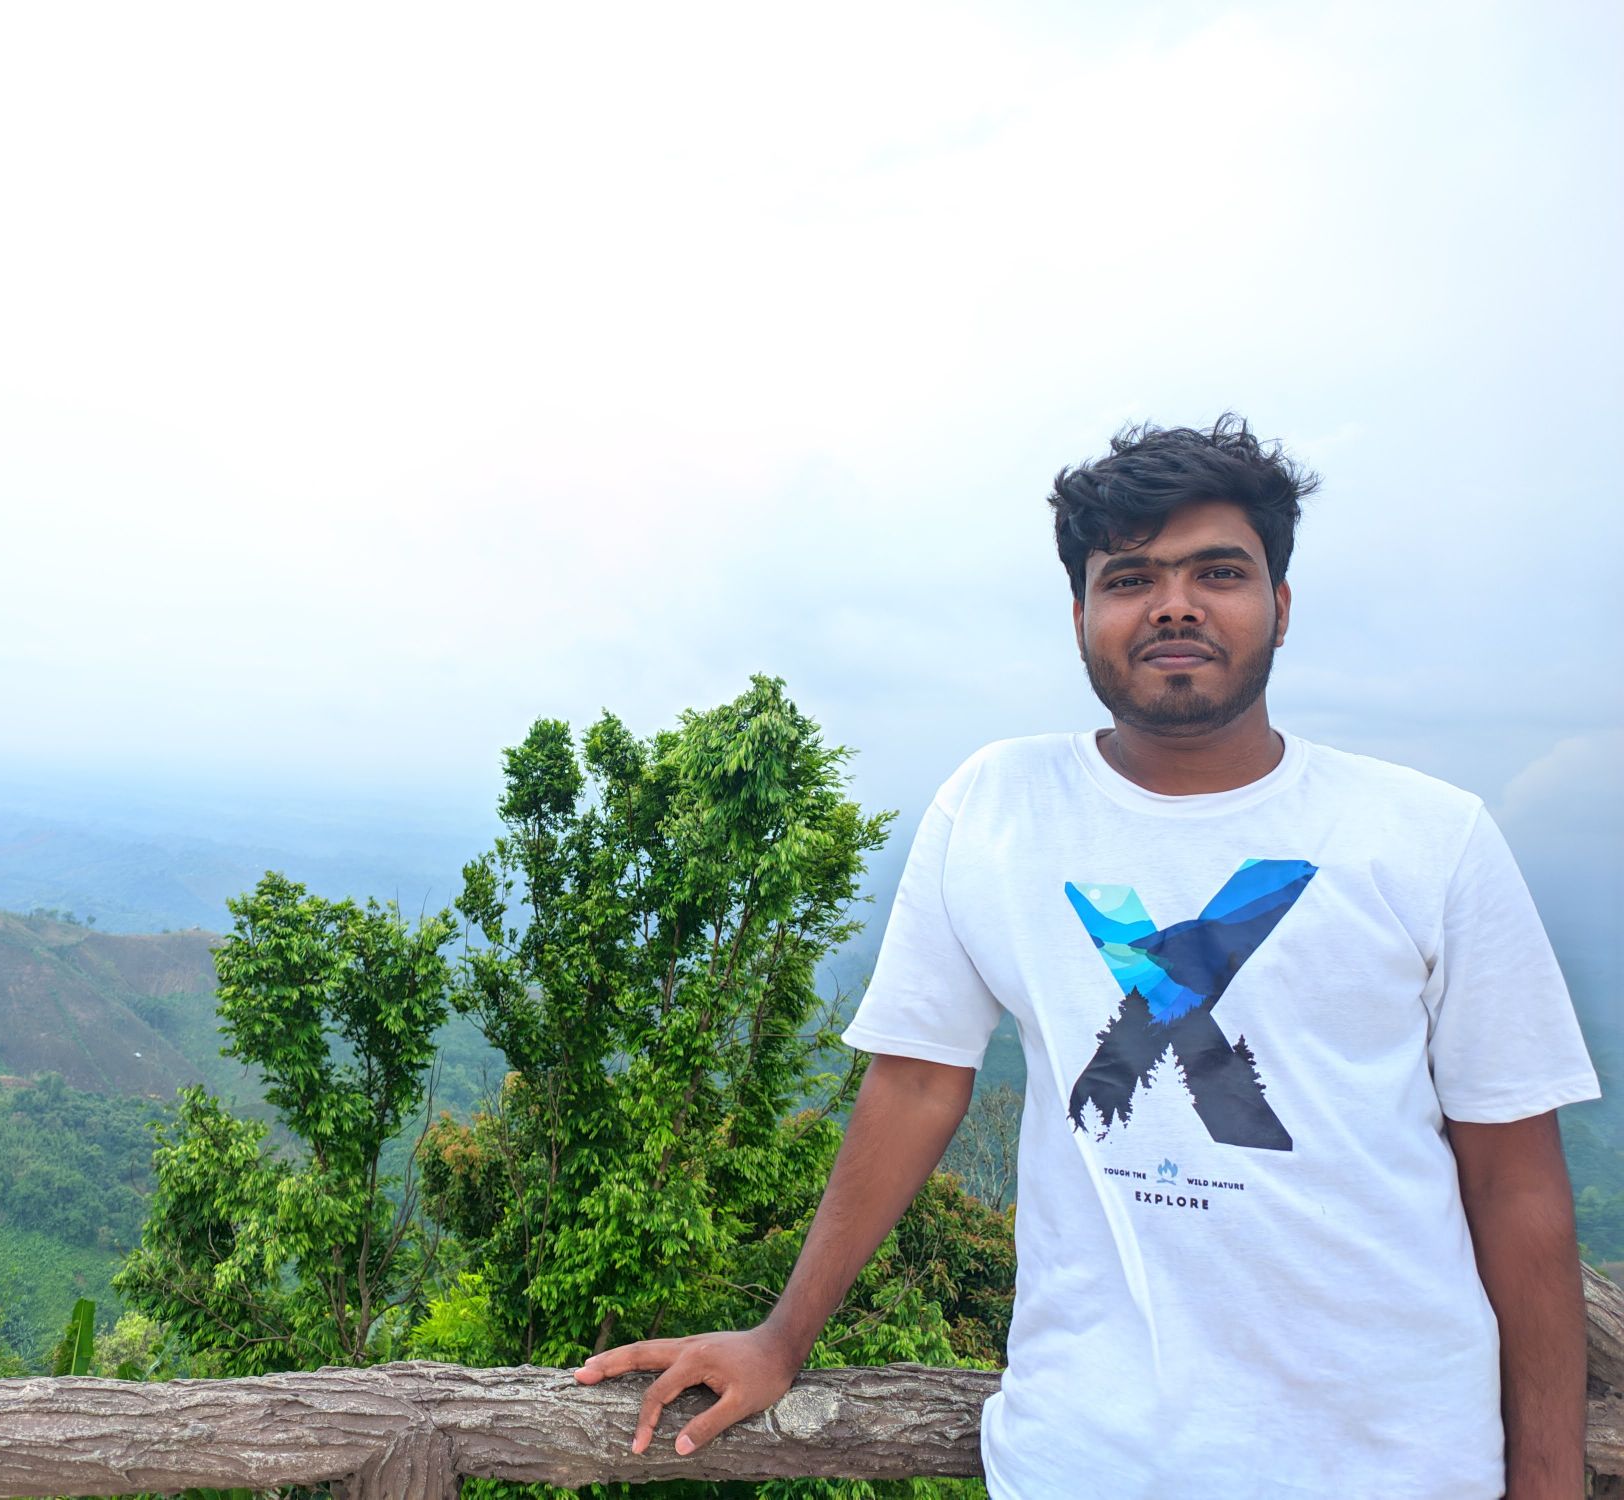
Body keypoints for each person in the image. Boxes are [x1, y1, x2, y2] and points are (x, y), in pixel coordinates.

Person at [574, 415, 1600, 1498]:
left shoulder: (1427, 836)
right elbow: (915, 1084)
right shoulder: (994, 807)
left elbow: (1515, 1182)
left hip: (1395, 1463)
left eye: (1218, 572)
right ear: (1080, 616)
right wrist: (782, 1336)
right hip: (1078, 1459)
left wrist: (1549, 1478)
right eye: (1130, 578)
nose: (1174, 604)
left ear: (1281, 605)